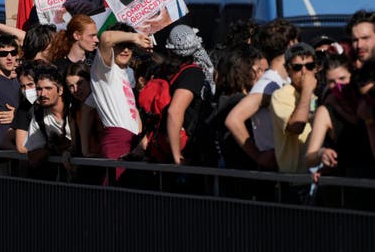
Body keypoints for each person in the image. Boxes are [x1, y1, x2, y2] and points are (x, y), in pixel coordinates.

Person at [225, 19, 299, 170]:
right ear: (291, 44)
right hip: (276, 169)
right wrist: (258, 155)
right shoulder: (267, 84)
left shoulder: (283, 79)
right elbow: (233, 119)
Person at [90, 22, 152, 181]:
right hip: (116, 139)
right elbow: (105, 37)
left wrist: (140, 140)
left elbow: (133, 109)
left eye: (129, 46)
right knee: (116, 198)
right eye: (120, 45)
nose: (125, 50)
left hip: (133, 142)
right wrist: (135, 37)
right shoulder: (103, 68)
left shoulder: (127, 72)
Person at [162, 24, 215, 166]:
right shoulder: (193, 74)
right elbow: (174, 111)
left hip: (166, 149)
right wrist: (177, 156)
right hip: (186, 152)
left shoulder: (167, 71)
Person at [270, 43, 317, 173]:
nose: (304, 72)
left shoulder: (320, 92)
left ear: (316, 68)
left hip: (319, 176)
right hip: (294, 180)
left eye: (309, 66)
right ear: (288, 69)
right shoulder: (280, 96)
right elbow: (296, 127)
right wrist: (307, 90)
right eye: (297, 67)